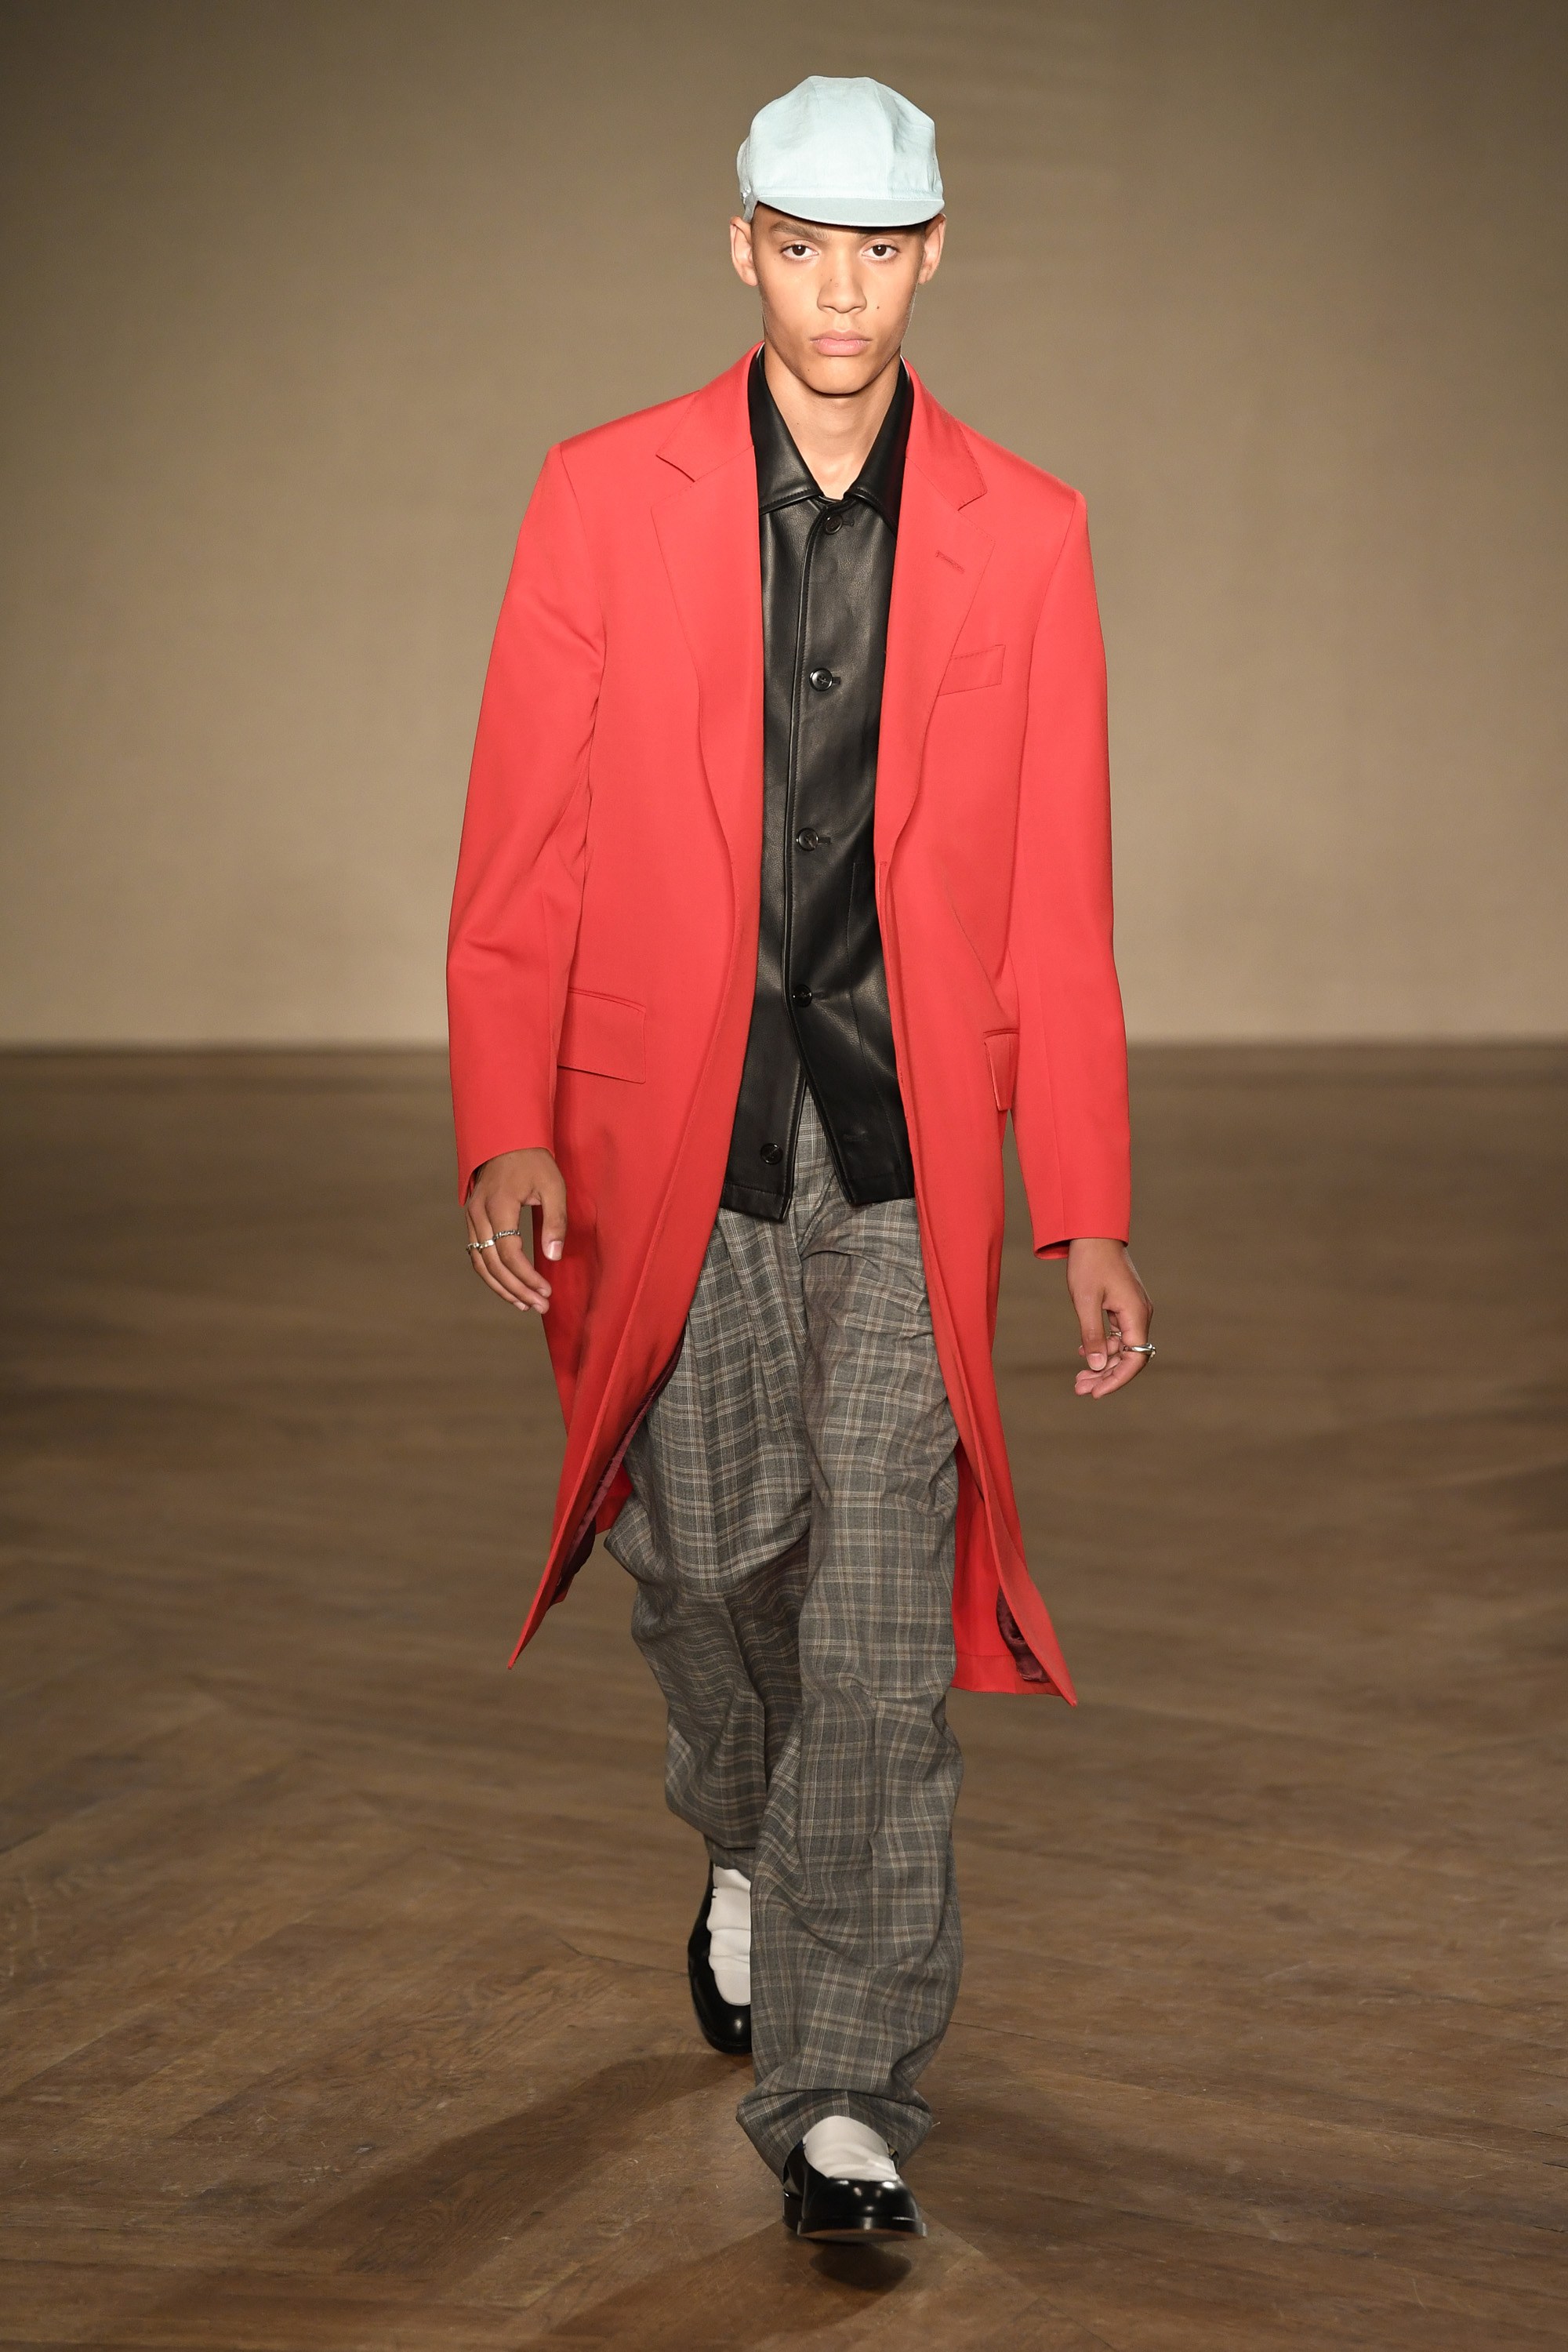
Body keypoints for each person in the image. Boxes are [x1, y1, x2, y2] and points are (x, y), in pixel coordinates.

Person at [447, 74, 1152, 2245]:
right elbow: (525, 839)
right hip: (677, 1137)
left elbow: (1059, 897)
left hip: (910, 1152)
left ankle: (845, 2099)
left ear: (933, 256)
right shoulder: (604, 495)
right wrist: (507, 1122)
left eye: (880, 250)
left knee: (871, 1633)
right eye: (804, 245)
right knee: (707, 1570)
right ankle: (746, 1842)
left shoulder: (1029, 532)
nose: (842, 292)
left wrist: (1086, 1202)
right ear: (741, 244)